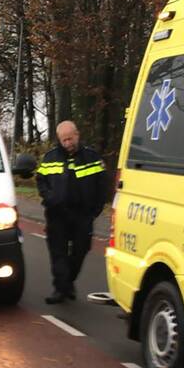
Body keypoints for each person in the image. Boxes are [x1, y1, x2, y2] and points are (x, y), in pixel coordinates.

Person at [35, 121, 110, 304]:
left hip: (82, 214)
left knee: (81, 250)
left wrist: (96, 208)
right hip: (57, 214)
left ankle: (67, 282)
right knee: (58, 253)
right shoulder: (50, 157)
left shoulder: (91, 157)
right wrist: (49, 198)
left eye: (70, 138)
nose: (68, 143)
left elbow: (103, 183)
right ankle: (60, 290)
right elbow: (41, 180)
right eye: (64, 140)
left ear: (77, 135)